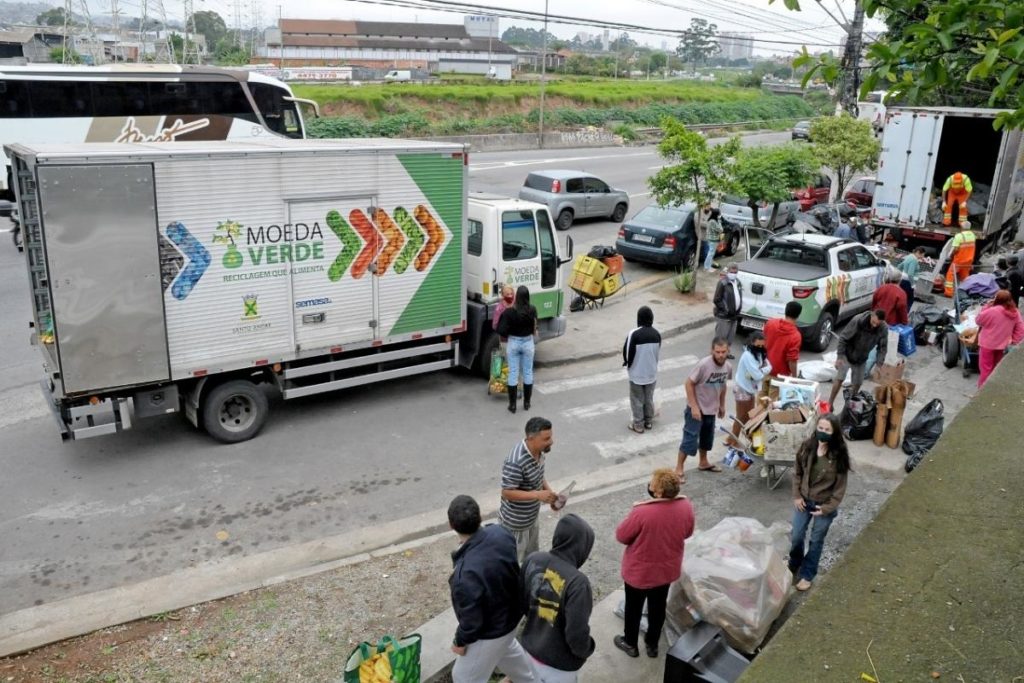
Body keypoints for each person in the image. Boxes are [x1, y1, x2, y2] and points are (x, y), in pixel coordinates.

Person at [447, 495, 538, 683]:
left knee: (462, 677)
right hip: (513, 615)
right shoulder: (501, 533)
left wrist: (459, 641)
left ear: (451, 525)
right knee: (507, 651)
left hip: (493, 630)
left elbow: (471, 622)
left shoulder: (464, 575)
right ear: (479, 517)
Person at [613, 469, 695, 659]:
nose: (649, 486)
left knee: (633, 609)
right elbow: (688, 533)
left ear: (658, 492)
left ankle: (630, 643)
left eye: (652, 484)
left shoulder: (642, 512)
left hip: (639, 573)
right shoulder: (685, 506)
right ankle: (652, 645)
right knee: (658, 609)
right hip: (666, 572)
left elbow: (622, 535)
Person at [519, 514, 596, 681]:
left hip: (528, 650)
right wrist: (587, 649)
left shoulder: (532, 559)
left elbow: (522, 604)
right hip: (559, 666)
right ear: (582, 547)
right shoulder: (578, 583)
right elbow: (576, 634)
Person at [789, 413, 850, 591]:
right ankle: (794, 562)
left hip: (824, 505)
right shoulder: (807, 447)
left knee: (816, 540)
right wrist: (797, 496)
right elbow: (797, 473)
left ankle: (807, 574)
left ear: (834, 433)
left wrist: (826, 509)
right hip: (804, 500)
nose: (822, 432)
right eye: (820, 428)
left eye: (827, 430)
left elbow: (840, 489)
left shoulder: (839, 455)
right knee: (797, 535)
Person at [499, 417, 558, 563]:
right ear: (531, 438)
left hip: (531, 519)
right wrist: (538, 495)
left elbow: (538, 475)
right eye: (547, 438)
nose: (551, 441)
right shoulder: (516, 461)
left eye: (551, 436)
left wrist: (550, 495)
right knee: (514, 563)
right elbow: (506, 492)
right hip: (516, 526)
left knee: (532, 558)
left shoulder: (539, 451)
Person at [675, 338, 732, 481]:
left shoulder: (728, 367)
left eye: (723, 352)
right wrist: (694, 407)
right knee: (690, 439)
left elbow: (723, 385)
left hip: (711, 409)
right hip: (697, 409)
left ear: (728, 351)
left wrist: (722, 405)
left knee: (707, 437)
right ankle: (679, 468)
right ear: (712, 350)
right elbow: (689, 384)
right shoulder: (704, 365)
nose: (720, 355)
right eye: (717, 352)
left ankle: (703, 462)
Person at [828, 310, 888, 409]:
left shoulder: (883, 328)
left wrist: (879, 364)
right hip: (847, 354)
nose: (874, 326)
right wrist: (839, 356)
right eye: (873, 322)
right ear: (872, 316)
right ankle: (830, 403)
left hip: (862, 358)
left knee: (858, 383)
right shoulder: (858, 320)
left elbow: (882, 348)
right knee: (840, 378)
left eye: (877, 324)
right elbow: (843, 338)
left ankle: (849, 407)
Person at [498, 286, 539, 413]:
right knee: (528, 372)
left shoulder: (509, 312)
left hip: (514, 342)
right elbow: (535, 326)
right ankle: (527, 403)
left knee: (513, 373)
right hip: (528, 342)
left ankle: (513, 405)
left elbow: (501, 330)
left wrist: (511, 332)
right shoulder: (532, 310)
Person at [974, 290, 1024, 388]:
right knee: (995, 368)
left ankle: (983, 390)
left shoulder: (992, 310)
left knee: (985, 369)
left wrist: (986, 306)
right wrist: (1014, 341)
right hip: (1002, 345)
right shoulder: (1015, 312)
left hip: (987, 345)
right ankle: (993, 387)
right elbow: (1020, 329)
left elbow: (978, 320)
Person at [623, 306, 661, 434]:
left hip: (637, 374)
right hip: (651, 373)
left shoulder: (634, 333)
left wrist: (628, 366)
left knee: (637, 399)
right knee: (648, 398)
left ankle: (638, 424)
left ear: (638, 318)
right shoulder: (657, 334)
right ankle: (648, 421)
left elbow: (628, 353)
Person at [731, 332, 771, 440]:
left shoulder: (760, 353)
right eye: (758, 345)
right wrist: (762, 370)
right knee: (741, 417)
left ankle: (742, 439)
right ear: (752, 343)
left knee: (749, 415)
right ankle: (732, 441)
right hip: (742, 389)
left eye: (762, 345)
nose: (760, 348)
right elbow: (757, 375)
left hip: (750, 389)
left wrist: (761, 370)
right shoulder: (747, 355)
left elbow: (769, 366)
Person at [764, 301, 804, 378]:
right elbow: (792, 360)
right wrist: (794, 377)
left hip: (764, 368)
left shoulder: (770, 323)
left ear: (785, 311)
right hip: (780, 375)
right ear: (798, 315)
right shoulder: (795, 336)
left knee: (763, 389)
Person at [712, 263, 742, 357]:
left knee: (730, 337)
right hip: (724, 316)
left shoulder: (738, 282)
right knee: (721, 338)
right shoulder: (722, 283)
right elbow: (717, 299)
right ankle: (715, 355)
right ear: (728, 271)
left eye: (735, 272)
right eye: (731, 272)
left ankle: (726, 353)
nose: (733, 274)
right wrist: (726, 309)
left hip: (734, 316)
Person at [944, 220, 977, 297]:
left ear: (962, 227)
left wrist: (950, 255)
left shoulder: (959, 236)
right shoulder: (973, 235)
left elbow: (955, 249)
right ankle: (965, 292)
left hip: (959, 260)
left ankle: (948, 293)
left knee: (950, 275)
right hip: (968, 260)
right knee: (965, 276)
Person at [493, 283, 516, 350]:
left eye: (511, 294)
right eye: (507, 294)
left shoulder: (515, 304)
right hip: (505, 340)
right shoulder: (499, 309)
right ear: (503, 295)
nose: (510, 296)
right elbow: (495, 325)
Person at [702, 207, 722, 272]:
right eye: (719, 214)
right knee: (710, 253)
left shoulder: (712, 220)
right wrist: (719, 221)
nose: (720, 215)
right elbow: (720, 229)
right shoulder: (713, 221)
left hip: (712, 239)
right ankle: (707, 267)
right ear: (717, 214)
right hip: (712, 239)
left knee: (711, 253)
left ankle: (708, 266)